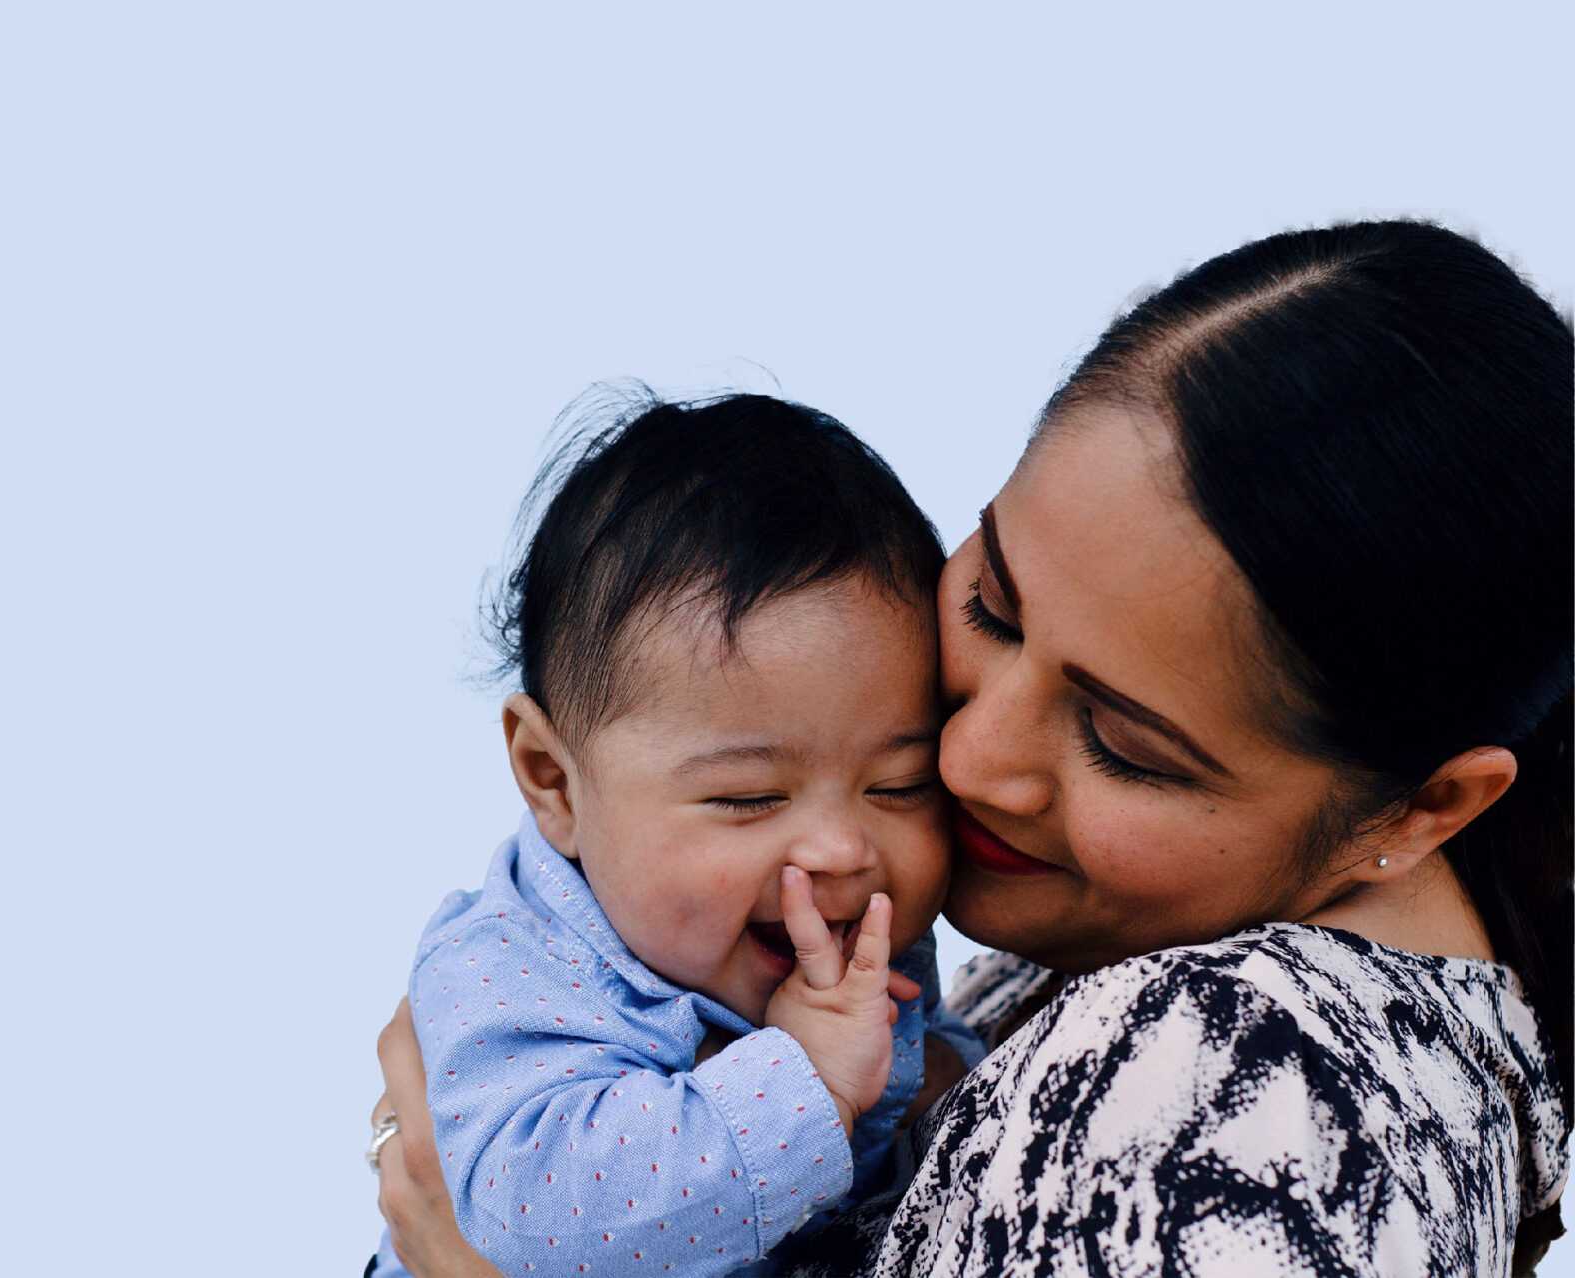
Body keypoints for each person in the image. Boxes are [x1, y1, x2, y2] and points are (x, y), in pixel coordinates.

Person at [371, 220, 1572, 1277]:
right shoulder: (1105, 949)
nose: (963, 762)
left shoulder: (1247, 1089)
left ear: (1421, 808)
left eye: (1120, 741)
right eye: (992, 604)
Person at [369, 393, 984, 1277]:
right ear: (553, 780)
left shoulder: (850, 930)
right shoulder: (508, 966)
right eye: (748, 797)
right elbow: (531, 1217)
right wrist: (805, 1082)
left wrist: (937, 1080)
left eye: (900, 784)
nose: (845, 850)